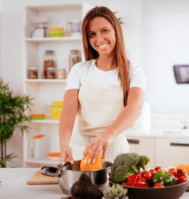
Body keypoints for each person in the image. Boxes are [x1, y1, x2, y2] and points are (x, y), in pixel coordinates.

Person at [59, 6, 146, 164]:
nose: (99, 40)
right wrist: (64, 144)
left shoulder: (134, 72)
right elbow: (68, 109)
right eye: (92, 34)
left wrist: (106, 136)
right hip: (79, 152)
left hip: (115, 152)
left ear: (115, 31)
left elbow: (134, 108)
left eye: (104, 30)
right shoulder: (79, 70)